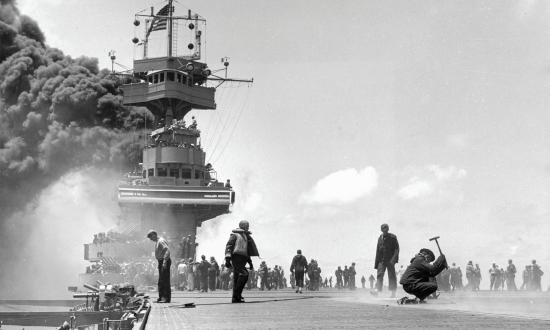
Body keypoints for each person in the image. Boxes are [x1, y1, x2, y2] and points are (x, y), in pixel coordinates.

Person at [225, 220, 260, 303]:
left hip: (243, 258)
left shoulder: (245, 236)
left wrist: (250, 262)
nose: (248, 227)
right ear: (242, 226)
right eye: (247, 226)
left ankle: (235, 298)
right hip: (236, 258)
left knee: (236, 279)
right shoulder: (235, 235)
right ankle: (237, 295)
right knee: (244, 274)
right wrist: (227, 259)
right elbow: (229, 246)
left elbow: (246, 251)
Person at [374, 223, 400, 297]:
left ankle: (393, 292)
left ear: (388, 229)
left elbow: (397, 249)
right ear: (381, 230)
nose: (384, 229)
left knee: (391, 276)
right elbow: (378, 251)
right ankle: (376, 291)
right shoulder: (380, 238)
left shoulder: (393, 237)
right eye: (383, 228)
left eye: (386, 228)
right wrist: (377, 263)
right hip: (381, 260)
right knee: (379, 274)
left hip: (390, 260)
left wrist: (393, 260)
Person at [147, 230, 171, 303]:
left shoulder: (161, 241)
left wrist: (164, 261)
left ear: (154, 235)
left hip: (164, 261)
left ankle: (166, 298)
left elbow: (167, 250)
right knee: (161, 280)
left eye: (151, 237)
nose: (151, 240)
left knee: (165, 280)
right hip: (161, 261)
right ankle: (161, 297)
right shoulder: (158, 242)